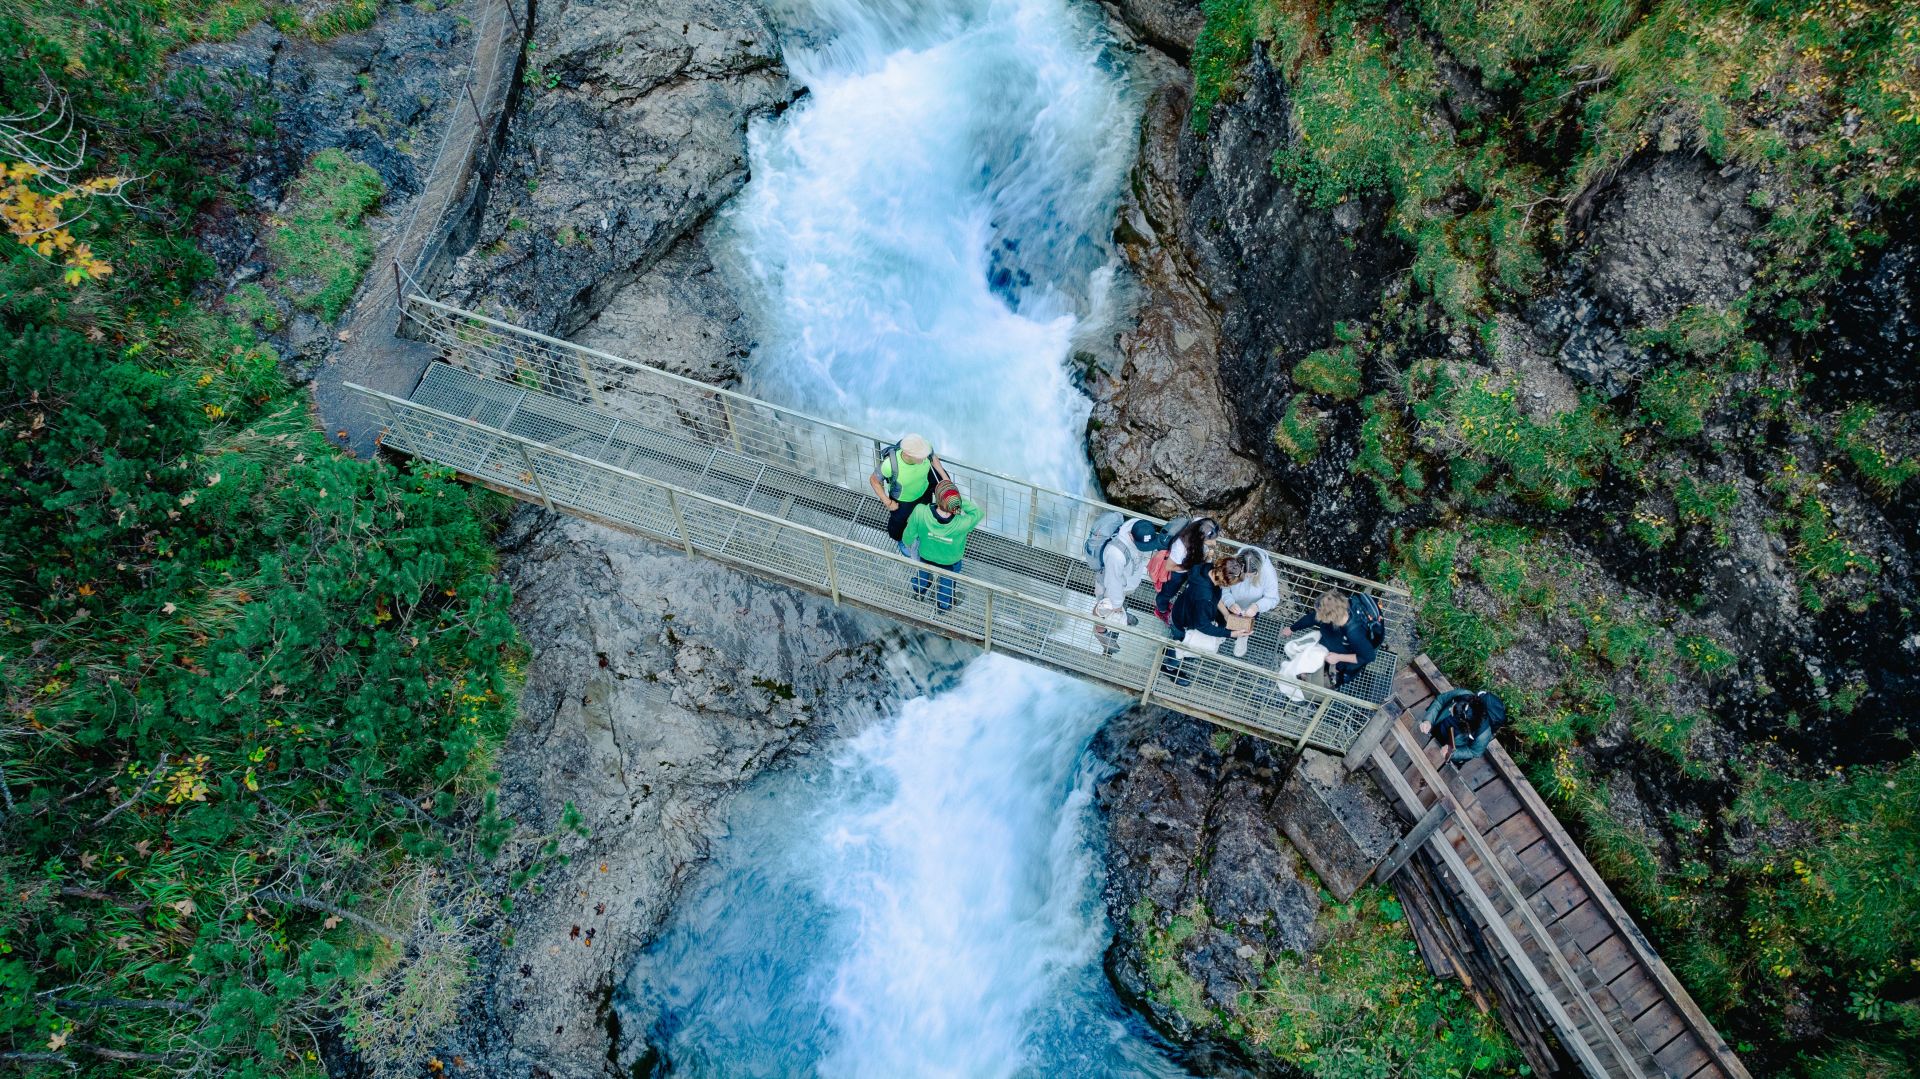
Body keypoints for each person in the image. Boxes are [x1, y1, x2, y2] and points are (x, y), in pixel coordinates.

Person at [1158, 556, 1251, 687]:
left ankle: (1172, 652)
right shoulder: (1205, 599)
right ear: (1224, 581)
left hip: (1182, 609)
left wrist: (1226, 614)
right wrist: (1231, 634)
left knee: (1178, 641)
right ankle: (1168, 667)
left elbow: (1214, 595)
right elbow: (1202, 625)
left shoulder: (1206, 568)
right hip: (1184, 623)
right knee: (1180, 644)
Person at [901, 481, 983, 612]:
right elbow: (978, 513)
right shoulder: (962, 523)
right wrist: (957, 500)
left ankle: (919, 592)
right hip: (950, 561)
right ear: (956, 502)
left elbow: (907, 537)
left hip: (925, 555)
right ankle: (943, 606)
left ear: (937, 498)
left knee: (922, 572)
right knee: (947, 582)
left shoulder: (920, 512)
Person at [1092, 519, 1171, 655]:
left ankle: (1121, 612)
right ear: (1130, 536)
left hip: (1126, 582)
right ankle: (1100, 632)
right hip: (1108, 586)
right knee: (1102, 608)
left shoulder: (1138, 526)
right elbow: (1113, 581)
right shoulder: (1115, 554)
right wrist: (1116, 605)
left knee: (1118, 602)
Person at [868, 433, 951, 555]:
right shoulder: (891, 464)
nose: (924, 458)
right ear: (907, 454)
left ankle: (918, 533)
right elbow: (874, 480)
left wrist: (945, 479)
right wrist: (887, 502)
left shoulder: (925, 447)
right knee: (899, 522)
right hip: (903, 500)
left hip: (923, 491)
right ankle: (900, 539)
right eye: (920, 457)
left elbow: (933, 458)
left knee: (923, 515)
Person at [1283, 588, 1376, 687]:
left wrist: (1337, 658)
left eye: (1319, 614)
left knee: (1326, 681)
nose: (1317, 616)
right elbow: (1312, 618)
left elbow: (1369, 657)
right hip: (1332, 643)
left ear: (1330, 616)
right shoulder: (1338, 607)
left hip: (1342, 659)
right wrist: (1292, 629)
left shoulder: (1354, 634)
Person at [1153, 516, 1221, 623]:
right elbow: (1169, 566)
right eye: (1211, 540)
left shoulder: (1200, 523)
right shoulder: (1180, 547)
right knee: (1167, 593)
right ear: (1200, 537)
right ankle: (1161, 610)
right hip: (1178, 573)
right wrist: (1190, 567)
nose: (1214, 543)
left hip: (1190, 566)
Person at [1217, 547, 1280, 658]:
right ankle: (1219, 633)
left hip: (1251, 609)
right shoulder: (1231, 564)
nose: (1247, 577)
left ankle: (1242, 637)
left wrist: (1256, 606)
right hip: (1230, 603)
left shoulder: (1268, 573)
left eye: (1251, 575)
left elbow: (1272, 598)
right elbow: (1223, 586)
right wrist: (1230, 602)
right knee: (1222, 619)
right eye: (1244, 575)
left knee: (1246, 626)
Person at [1420, 688, 1507, 763]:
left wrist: (1452, 753)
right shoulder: (1463, 694)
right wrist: (1428, 720)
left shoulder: (1483, 734)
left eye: (1452, 711)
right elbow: (1440, 700)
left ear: (1464, 722)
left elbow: (1474, 752)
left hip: (1448, 749)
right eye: (1453, 706)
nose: (1450, 708)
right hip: (1435, 729)